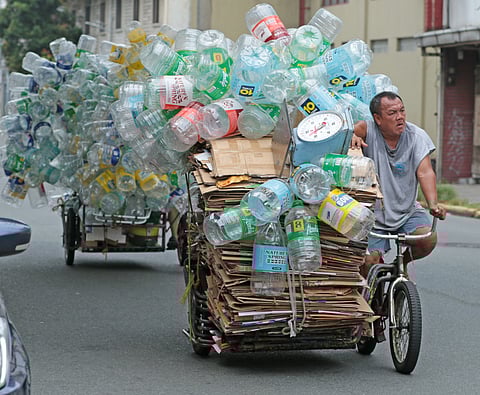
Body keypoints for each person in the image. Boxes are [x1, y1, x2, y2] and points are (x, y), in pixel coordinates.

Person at [350, 91, 447, 277]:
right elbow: (351, 130)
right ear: (378, 118)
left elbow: (425, 171)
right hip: (373, 218)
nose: (400, 117)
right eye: (392, 113)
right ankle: (375, 301)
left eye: (402, 111)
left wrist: (433, 204)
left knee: (428, 239)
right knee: (368, 263)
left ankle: (400, 264)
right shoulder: (368, 130)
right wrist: (352, 136)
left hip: (407, 212)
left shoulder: (416, 136)